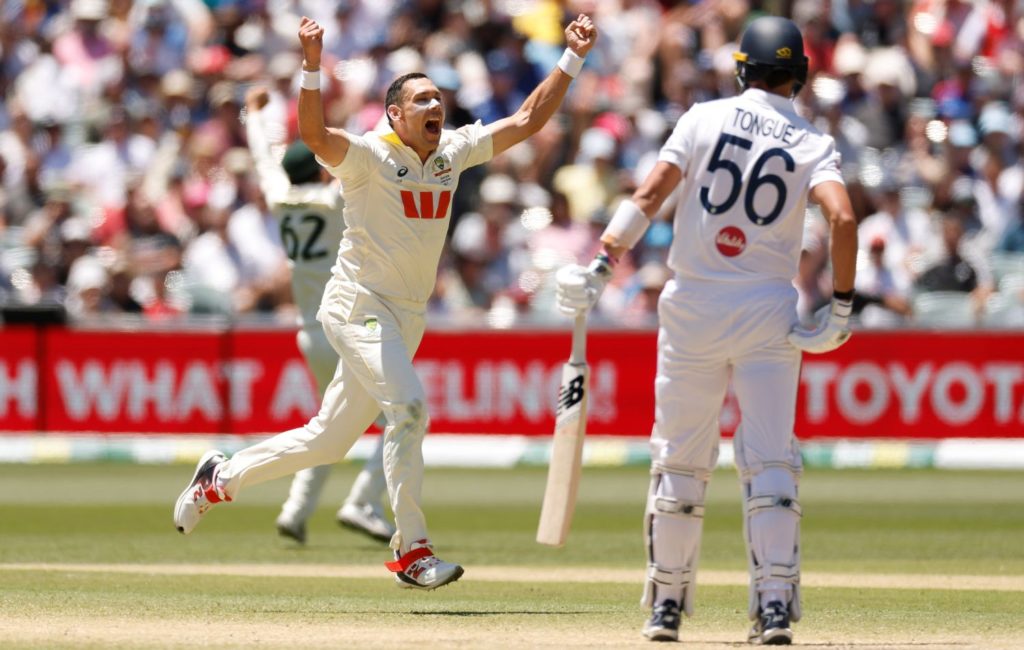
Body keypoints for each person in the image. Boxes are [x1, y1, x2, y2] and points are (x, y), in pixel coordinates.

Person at [175, 13, 597, 590]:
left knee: (328, 441)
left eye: (438, 100)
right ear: (395, 114)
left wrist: (571, 58)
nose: (435, 108)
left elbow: (527, 119)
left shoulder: (453, 151)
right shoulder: (371, 155)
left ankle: (220, 477)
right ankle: (411, 550)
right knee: (411, 410)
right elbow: (316, 138)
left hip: (405, 314)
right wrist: (312, 67)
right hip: (357, 305)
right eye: (422, 100)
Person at [555, 16, 857, 644]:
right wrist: (845, 307)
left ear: (742, 66)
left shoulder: (701, 118)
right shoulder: (811, 142)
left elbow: (647, 195)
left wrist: (603, 263)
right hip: (768, 310)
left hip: (692, 305)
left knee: (680, 460)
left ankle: (666, 605)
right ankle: (773, 607)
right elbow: (844, 218)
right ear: (798, 75)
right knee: (772, 462)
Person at [243, 85, 395, 545]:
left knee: (330, 423)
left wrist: (253, 117)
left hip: (308, 331)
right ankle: (363, 501)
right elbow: (361, 160)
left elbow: (263, 161)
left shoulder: (277, 197)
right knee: (400, 417)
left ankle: (296, 509)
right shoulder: (334, 203)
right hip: (343, 324)